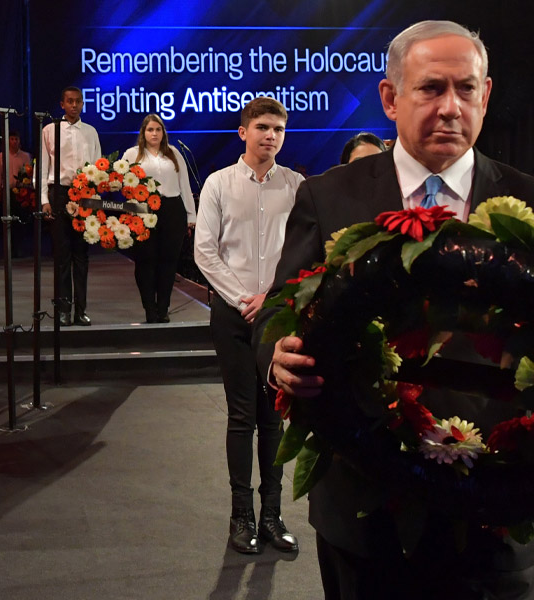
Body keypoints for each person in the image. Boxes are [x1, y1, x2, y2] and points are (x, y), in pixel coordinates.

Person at [255, 20, 534, 600]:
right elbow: (278, 313)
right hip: (364, 510)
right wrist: (276, 356)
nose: (450, 107)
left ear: (486, 95)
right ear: (390, 98)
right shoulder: (329, 198)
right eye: (431, 88)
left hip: (498, 516)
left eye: (466, 88)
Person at [193, 97, 304, 555]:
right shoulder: (218, 184)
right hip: (232, 314)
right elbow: (205, 251)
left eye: (278, 129)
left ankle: (272, 516)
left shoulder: (297, 186)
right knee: (242, 417)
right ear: (243, 132)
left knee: (274, 417)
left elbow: (301, 255)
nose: (270, 136)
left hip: (277, 315)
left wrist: (272, 298)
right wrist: (244, 299)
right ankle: (241, 517)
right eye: (262, 127)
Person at [122, 114, 196, 323]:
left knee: (168, 261)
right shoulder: (131, 154)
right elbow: (120, 182)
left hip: (172, 209)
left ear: (163, 133)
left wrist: (192, 215)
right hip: (143, 210)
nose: (154, 134)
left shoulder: (173, 154)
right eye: (150, 130)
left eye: (158, 130)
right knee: (145, 261)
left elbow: (185, 186)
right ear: (143, 133)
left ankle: (163, 308)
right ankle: (149, 308)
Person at [40, 86, 102, 326]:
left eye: (78, 101)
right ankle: (63, 309)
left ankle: (81, 310)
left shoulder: (91, 132)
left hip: (85, 193)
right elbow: (43, 168)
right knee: (62, 255)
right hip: (59, 193)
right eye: (70, 101)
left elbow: (98, 168)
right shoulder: (50, 130)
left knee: (82, 256)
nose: (74, 105)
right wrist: (44, 200)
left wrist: (94, 201)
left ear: (83, 104)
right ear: (62, 104)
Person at [0, 130, 33, 257]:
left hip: (22, 192)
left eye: (16, 139)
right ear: (8, 140)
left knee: (20, 220)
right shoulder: (1, 156)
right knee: (8, 221)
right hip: (7, 191)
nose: (14, 141)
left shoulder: (26, 156)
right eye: (12, 139)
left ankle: (20, 247)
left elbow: (30, 174)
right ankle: (9, 248)